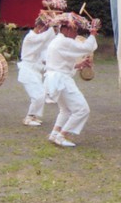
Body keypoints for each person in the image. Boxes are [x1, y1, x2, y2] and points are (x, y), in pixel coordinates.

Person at [44, 12, 99, 147]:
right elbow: (87, 47)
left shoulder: (58, 41)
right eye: (75, 30)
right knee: (82, 109)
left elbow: (61, 63)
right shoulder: (64, 41)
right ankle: (62, 136)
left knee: (66, 110)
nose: (76, 34)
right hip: (61, 79)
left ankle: (55, 134)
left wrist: (79, 65)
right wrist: (92, 33)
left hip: (55, 78)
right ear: (67, 29)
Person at [17, 11, 56, 126]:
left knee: (41, 94)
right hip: (27, 70)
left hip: (34, 70)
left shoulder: (38, 38)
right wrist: (53, 27)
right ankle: (28, 118)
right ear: (39, 26)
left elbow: (45, 45)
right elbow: (44, 39)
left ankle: (33, 116)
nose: (45, 31)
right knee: (38, 94)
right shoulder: (30, 38)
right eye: (44, 28)